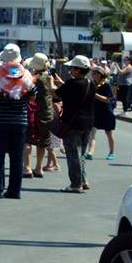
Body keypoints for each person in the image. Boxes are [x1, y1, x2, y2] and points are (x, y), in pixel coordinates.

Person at [0, 44, 34, 200]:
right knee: (17, 157)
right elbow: (33, 95)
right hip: (20, 122)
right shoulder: (26, 75)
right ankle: (14, 191)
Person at [56, 55, 97, 193]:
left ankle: (76, 184)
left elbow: (56, 95)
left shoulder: (71, 84)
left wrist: (51, 84)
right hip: (88, 123)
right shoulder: (91, 83)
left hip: (72, 123)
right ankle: (83, 180)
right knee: (81, 154)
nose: (70, 70)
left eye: (72, 68)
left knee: (73, 154)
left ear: (78, 70)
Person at [25, 53, 56, 179]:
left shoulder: (33, 79)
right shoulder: (49, 77)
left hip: (33, 112)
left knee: (27, 140)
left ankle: (27, 168)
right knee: (43, 142)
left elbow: (29, 95)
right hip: (47, 113)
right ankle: (39, 168)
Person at [87, 66, 117, 161]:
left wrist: (94, 94)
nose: (93, 75)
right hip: (95, 111)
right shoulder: (92, 84)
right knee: (92, 131)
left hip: (106, 111)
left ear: (100, 74)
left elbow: (107, 100)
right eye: (92, 74)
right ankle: (90, 152)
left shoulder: (106, 85)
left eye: (95, 74)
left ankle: (112, 152)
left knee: (108, 132)